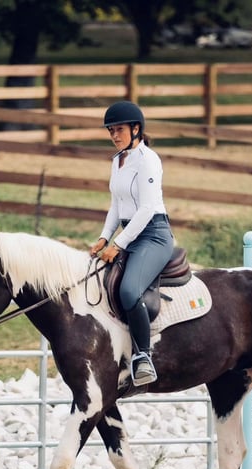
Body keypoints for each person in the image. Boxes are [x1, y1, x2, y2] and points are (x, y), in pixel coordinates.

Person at [89, 101, 174, 386]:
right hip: (130, 233)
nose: (114, 135)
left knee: (128, 291)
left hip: (154, 234)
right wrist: (104, 237)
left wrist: (119, 244)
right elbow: (117, 205)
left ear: (136, 129)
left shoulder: (148, 160)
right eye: (111, 130)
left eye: (119, 129)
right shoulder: (118, 160)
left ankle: (143, 358)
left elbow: (147, 208)